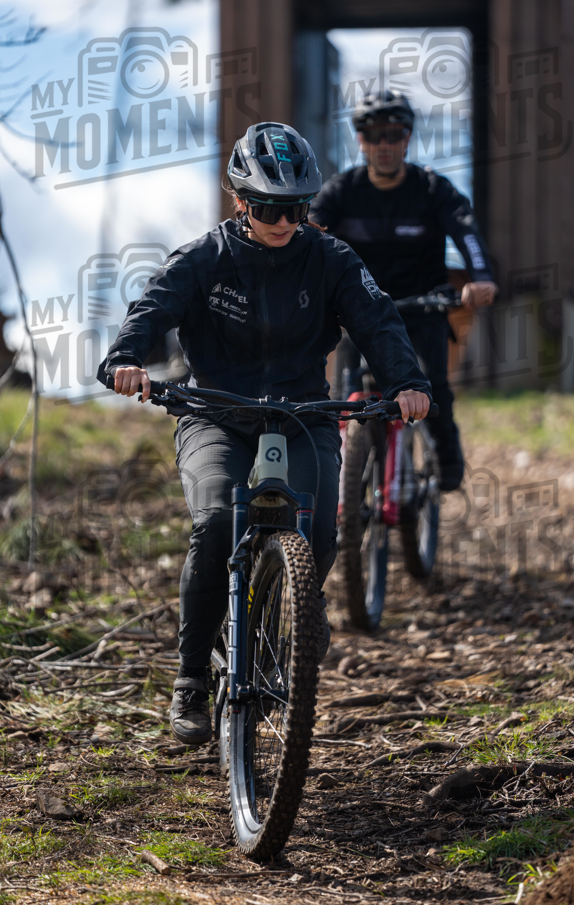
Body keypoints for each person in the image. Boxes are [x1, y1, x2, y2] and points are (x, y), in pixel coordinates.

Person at [97, 122, 432, 747]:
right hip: (215, 412)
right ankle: (193, 677)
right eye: (272, 207)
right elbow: (151, 310)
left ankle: (300, 606)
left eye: (298, 206)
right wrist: (125, 359)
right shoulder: (204, 258)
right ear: (240, 200)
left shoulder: (331, 259)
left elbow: (378, 321)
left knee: (324, 528)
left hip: (304, 411)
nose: (285, 220)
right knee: (217, 521)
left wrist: (407, 382)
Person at [310, 90, 499, 491]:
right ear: (360, 139)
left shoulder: (432, 189)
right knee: (341, 401)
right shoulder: (342, 191)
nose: (384, 145)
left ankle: (446, 464)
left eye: (393, 135)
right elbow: (308, 233)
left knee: (434, 393)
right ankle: (341, 483)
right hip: (358, 315)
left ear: (407, 137)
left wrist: (481, 276)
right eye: (374, 135)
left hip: (423, 309)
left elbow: (467, 232)